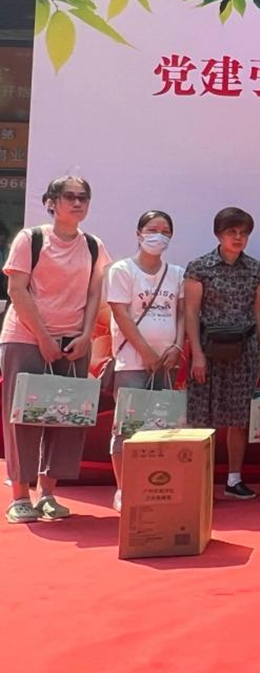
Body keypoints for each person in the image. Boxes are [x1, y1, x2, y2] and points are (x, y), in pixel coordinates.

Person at [2, 176, 108, 523]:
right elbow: (17, 290)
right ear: (51, 202)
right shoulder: (30, 238)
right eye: (69, 196)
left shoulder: (93, 245)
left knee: (68, 416)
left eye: (83, 197)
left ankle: (48, 493)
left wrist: (86, 334)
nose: (77, 203)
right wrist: (44, 338)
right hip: (26, 337)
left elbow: (94, 294)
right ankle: (20, 496)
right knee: (24, 417)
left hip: (74, 342)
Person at [184, 207, 260, 500]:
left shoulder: (255, 268)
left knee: (239, 417)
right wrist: (197, 354)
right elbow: (191, 312)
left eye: (244, 233)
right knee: (202, 416)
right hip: (208, 350)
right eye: (232, 232)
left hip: (244, 351)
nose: (238, 237)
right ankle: (199, 480)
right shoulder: (199, 267)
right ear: (219, 234)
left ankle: (234, 479)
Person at [106, 210, 184, 512]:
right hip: (132, 362)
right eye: (152, 230)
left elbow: (181, 314)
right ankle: (124, 489)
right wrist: (146, 352)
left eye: (165, 231)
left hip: (167, 363)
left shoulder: (176, 273)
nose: (158, 236)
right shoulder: (122, 270)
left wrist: (177, 346)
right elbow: (121, 314)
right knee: (127, 428)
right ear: (139, 234)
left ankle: (157, 485)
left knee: (164, 426)